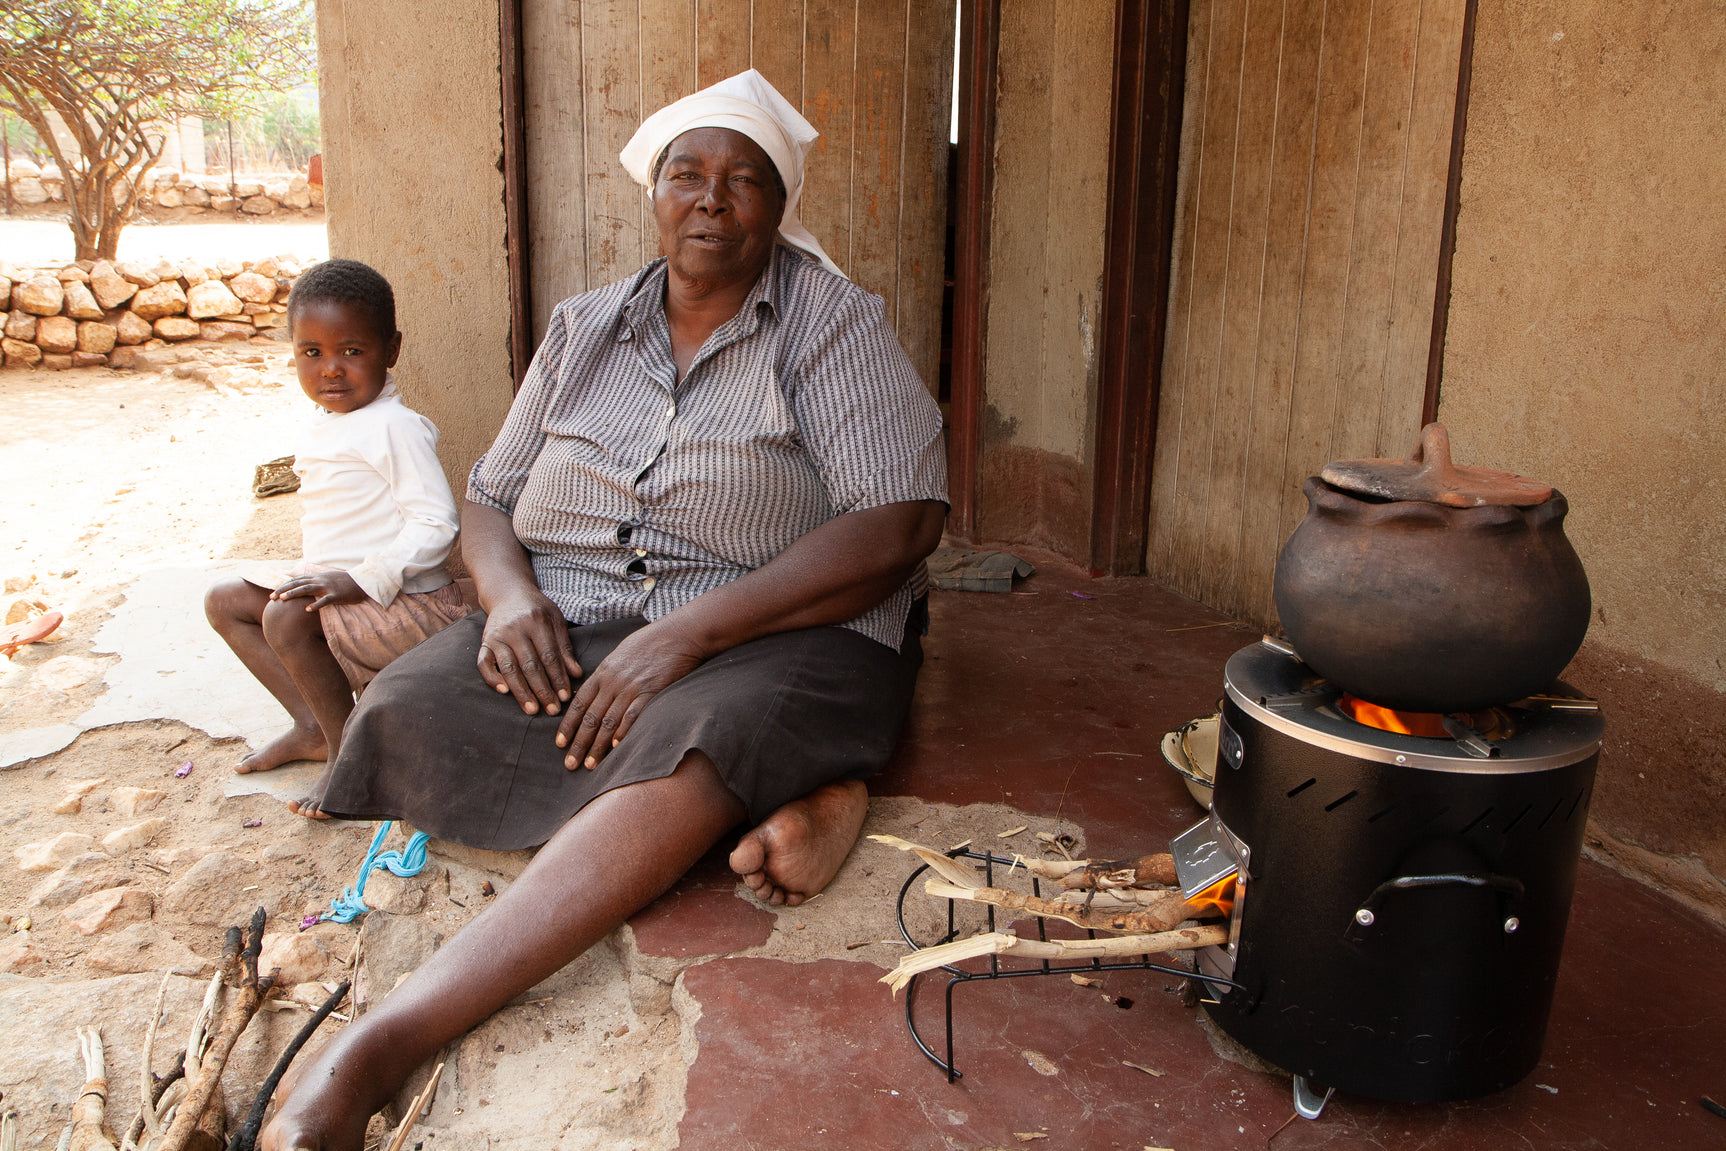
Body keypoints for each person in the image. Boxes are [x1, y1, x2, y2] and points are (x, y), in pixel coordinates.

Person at [261, 70, 946, 1151]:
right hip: (580, 607)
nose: (711, 199)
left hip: (775, 624)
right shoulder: (583, 327)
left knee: (691, 740)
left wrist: (686, 634)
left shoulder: (830, 324)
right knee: (414, 700)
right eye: (687, 173)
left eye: (743, 180)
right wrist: (509, 597)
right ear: (654, 192)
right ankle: (816, 785)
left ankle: (380, 1043)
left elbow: (900, 523)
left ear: (778, 203)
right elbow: (490, 494)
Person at [205, 260, 471, 782]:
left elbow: (436, 522)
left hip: (404, 604)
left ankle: (349, 754)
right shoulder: (327, 425)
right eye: (312, 353)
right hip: (342, 595)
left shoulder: (395, 426)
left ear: (391, 350)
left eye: (352, 351)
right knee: (226, 600)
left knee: (286, 617)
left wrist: (357, 578)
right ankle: (313, 727)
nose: (331, 368)